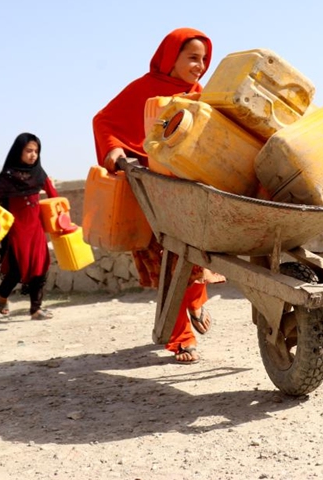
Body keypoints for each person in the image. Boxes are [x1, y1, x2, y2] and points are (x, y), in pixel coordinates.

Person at [92, 27, 222, 364]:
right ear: (170, 58)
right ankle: (180, 339)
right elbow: (103, 121)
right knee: (169, 261)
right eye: (193, 58)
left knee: (194, 250)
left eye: (204, 59)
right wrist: (116, 153)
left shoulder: (200, 94)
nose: (200, 66)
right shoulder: (143, 89)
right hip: (151, 191)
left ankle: (196, 297)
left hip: (190, 190)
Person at [0, 132, 59, 321]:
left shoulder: (39, 173)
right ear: (18, 151)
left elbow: (53, 194)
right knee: (18, 268)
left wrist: (62, 214)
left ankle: (36, 309)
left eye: (36, 151)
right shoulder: (8, 176)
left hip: (36, 227)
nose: (33, 155)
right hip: (17, 228)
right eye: (28, 150)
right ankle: (2, 294)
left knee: (40, 266)